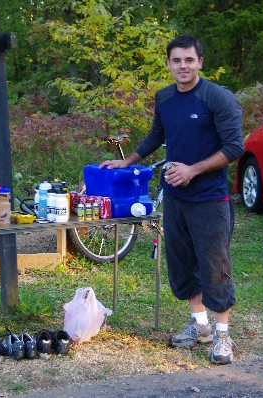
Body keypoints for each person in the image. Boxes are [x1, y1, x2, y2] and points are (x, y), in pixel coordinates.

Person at [100, 35, 243, 365]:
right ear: (168, 64)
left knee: (215, 267)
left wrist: (193, 170)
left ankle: (223, 337)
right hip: (176, 197)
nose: (183, 66)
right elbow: (158, 134)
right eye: (177, 60)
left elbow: (235, 147)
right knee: (181, 265)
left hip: (210, 199)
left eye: (189, 60)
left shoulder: (217, 98)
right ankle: (200, 325)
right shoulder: (164, 97)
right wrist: (129, 160)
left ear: (200, 62)